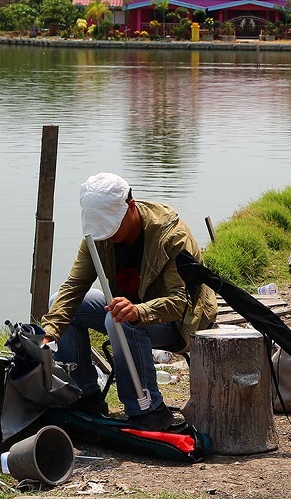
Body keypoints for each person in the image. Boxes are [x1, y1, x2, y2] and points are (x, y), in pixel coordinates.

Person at [41, 172, 218, 431]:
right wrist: (49, 333)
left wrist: (138, 311)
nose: (107, 235)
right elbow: (74, 286)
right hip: (128, 312)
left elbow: (182, 302)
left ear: (131, 207)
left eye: (111, 226)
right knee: (61, 301)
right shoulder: (97, 237)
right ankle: (84, 395)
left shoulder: (171, 236)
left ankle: (148, 410)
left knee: (119, 320)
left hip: (182, 322)